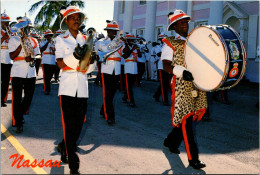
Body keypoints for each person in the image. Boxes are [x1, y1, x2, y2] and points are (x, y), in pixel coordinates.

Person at [161, 9, 207, 169]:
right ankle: (193, 159)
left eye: (186, 21)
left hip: (195, 83)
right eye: (181, 22)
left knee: (190, 117)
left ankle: (170, 141)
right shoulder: (169, 43)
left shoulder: (194, 42)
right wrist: (181, 72)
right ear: (174, 26)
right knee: (187, 120)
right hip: (181, 84)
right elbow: (166, 65)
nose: (185, 24)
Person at [55, 6, 94, 174]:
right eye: (73, 18)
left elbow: (89, 68)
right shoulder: (60, 39)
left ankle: (63, 146)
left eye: (79, 18)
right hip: (67, 86)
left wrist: (92, 62)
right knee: (69, 125)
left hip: (82, 86)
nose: (76, 20)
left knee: (79, 124)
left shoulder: (85, 39)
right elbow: (59, 63)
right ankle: (73, 164)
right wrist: (75, 56)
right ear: (67, 21)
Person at [8, 16, 41, 133]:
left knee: (28, 98)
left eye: (28, 28)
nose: (28, 30)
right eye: (25, 28)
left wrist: (32, 57)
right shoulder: (13, 40)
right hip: (17, 71)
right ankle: (19, 122)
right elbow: (11, 56)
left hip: (30, 72)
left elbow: (38, 55)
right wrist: (21, 43)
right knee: (17, 99)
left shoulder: (34, 40)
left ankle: (19, 115)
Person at [95, 19, 122, 125]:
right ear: (107, 31)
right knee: (107, 93)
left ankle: (103, 109)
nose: (114, 33)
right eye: (112, 30)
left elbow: (123, 55)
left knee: (111, 94)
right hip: (106, 69)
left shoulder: (120, 42)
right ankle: (109, 116)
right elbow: (101, 53)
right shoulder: (101, 42)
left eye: (115, 31)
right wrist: (114, 43)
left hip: (117, 70)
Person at [122, 33, 141, 107]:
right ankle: (131, 101)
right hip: (128, 68)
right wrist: (132, 49)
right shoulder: (124, 46)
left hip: (134, 68)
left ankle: (124, 97)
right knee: (128, 86)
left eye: (133, 40)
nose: (132, 41)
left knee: (130, 85)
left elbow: (140, 56)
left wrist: (138, 49)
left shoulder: (135, 46)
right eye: (130, 39)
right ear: (127, 40)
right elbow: (125, 56)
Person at [153, 32, 171, 106]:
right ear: (160, 40)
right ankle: (164, 100)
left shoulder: (168, 46)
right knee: (163, 84)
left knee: (165, 83)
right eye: (163, 39)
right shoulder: (158, 47)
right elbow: (159, 54)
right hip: (161, 66)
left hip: (168, 66)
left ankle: (156, 95)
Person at [1, 11, 12, 107]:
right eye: (4, 22)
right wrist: (3, 38)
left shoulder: (11, 33)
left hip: (9, 61)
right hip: (0, 60)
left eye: (7, 22)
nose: (6, 24)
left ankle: (2, 99)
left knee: (5, 82)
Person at [40, 29, 56, 95]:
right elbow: (41, 49)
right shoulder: (43, 41)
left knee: (50, 76)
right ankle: (47, 89)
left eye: (50, 35)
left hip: (53, 61)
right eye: (48, 35)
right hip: (45, 61)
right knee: (46, 76)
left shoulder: (54, 42)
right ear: (46, 36)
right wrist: (47, 42)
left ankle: (47, 86)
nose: (49, 36)